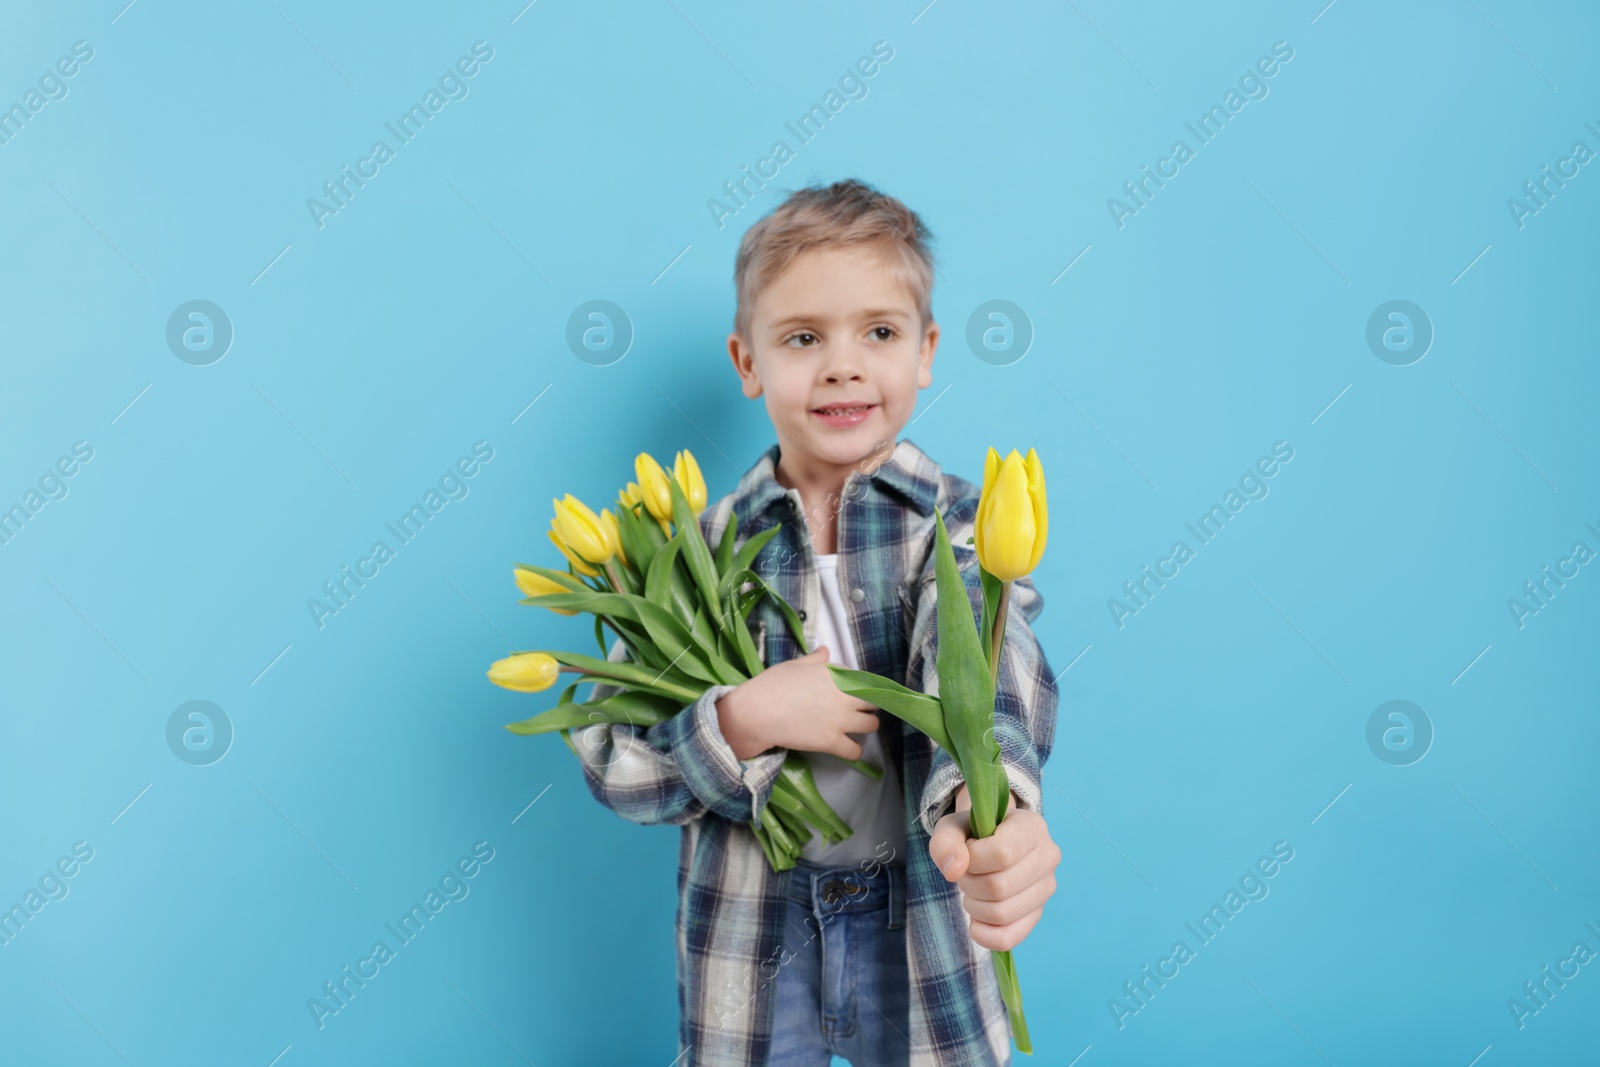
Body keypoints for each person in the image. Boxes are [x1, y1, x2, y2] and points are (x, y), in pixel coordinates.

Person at [573, 178, 1061, 1066]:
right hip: (755, 922)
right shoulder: (693, 551)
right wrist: (742, 718)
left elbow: (990, 672)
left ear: (926, 351)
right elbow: (616, 761)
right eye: (803, 338)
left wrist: (995, 805)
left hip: (919, 911)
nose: (842, 365)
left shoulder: (960, 527)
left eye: (879, 332)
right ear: (747, 361)